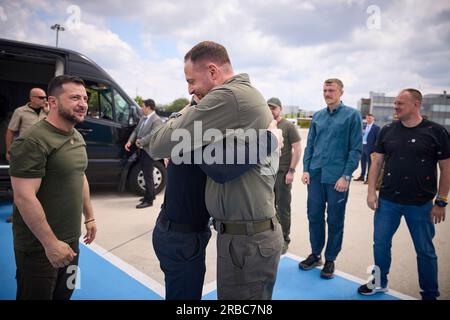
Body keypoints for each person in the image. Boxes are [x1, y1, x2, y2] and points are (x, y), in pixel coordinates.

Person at [148, 41, 283, 300]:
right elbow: (218, 162)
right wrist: (270, 140)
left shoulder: (227, 96)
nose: (190, 90)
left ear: (212, 71)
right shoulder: (240, 98)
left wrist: (186, 121)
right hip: (240, 237)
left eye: (191, 81)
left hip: (248, 239)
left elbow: (157, 145)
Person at [9, 75, 97, 300]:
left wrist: (89, 216)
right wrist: (50, 244)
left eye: (85, 98)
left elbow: (80, 175)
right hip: (40, 248)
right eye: (75, 97)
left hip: (71, 243)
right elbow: (24, 197)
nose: (83, 103)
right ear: (53, 102)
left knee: (64, 294)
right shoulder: (32, 141)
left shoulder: (77, 136)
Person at [358, 89, 450, 300]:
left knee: (425, 251)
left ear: (416, 104)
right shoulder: (388, 130)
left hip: (420, 204)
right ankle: (379, 283)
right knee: (380, 244)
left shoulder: (436, 132)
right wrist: (371, 192)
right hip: (388, 202)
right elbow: (377, 162)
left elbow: (446, 169)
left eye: (400, 103)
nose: (395, 107)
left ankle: (429, 294)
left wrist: (441, 201)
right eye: (395, 103)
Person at [300, 78, 362, 279]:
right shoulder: (317, 116)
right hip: (316, 174)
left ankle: (330, 259)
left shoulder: (352, 116)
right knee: (314, 216)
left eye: (331, 90)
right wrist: (306, 169)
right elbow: (310, 145)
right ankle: (316, 254)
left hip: (337, 178)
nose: (327, 93)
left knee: (335, 219)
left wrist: (346, 175)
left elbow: (355, 149)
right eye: (325, 90)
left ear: (341, 92)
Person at [4, 88, 49, 223]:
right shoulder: (20, 112)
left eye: (45, 97)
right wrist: (8, 150)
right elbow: (10, 131)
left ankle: (38, 214)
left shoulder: (48, 111)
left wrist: (48, 112)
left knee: (43, 185)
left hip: (43, 152)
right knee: (21, 187)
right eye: (41, 97)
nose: (44, 100)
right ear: (32, 98)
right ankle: (16, 215)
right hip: (25, 152)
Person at [267, 97, 301, 254]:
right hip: (267, 173)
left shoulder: (287, 126)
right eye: (268, 108)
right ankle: (272, 237)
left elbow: (297, 149)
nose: (271, 110)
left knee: (283, 208)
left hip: (282, 173)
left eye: (273, 108)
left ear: (280, 109)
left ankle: (285, 239)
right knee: (268, 208)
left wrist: (291, 171)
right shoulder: (267, 125)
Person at [125, 99, 162, 208]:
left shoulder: (157, 120)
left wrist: (141, 141)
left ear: (149, 107)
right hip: (141, 150)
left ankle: (149, 200)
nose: (141, 108)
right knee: (146, 174)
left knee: (148, 176)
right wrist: (130, 141)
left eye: (143, 106)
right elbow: (136, 131)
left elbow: (153, 135)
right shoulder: (143, 118)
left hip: (149, 152)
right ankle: (150, 195)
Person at [354, 114, 380, 183]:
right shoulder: (364, 127)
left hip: (371, 148)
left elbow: (378, 139)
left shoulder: (376, 128)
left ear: (373, 119)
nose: (368, 120)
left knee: (370, 164)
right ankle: (362, 176)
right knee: (362, 162)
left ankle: (369, 178)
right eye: (367, 118)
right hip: (363, 146)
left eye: (370, 118)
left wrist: (375, 149)